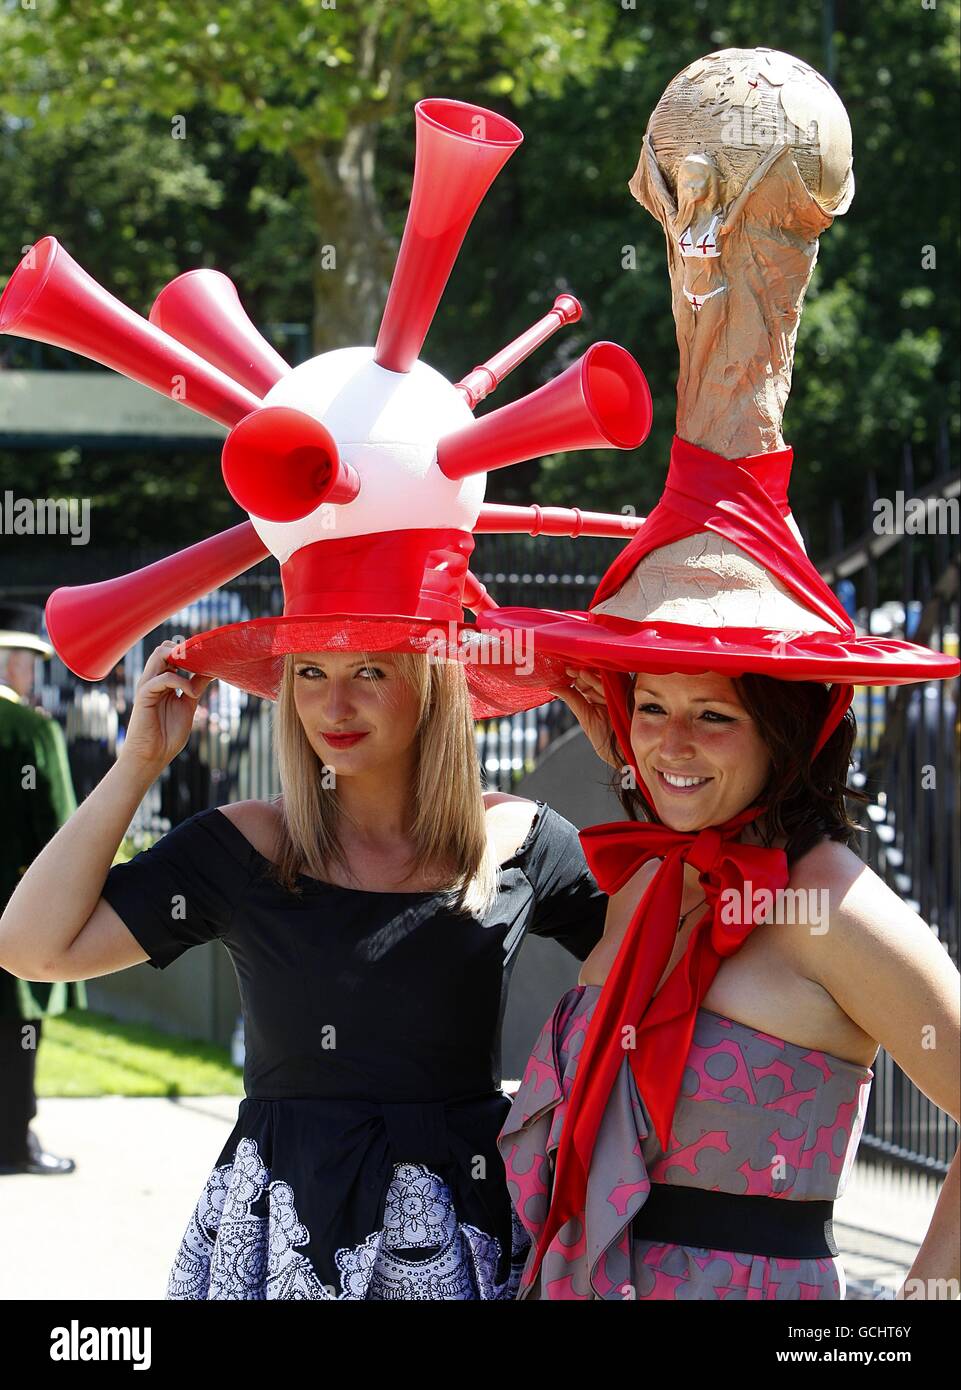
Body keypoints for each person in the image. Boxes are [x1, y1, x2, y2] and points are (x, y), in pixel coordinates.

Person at [483, 431, 961, 1301]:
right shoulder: (646, 889)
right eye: (651, 707)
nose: (671, 743)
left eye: (713, 716)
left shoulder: (833, 905)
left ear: (786, 731)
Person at [0, 638, 606, 1298]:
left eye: (370, 671)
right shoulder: (245, 844)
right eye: (311, 672)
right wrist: (139, 762)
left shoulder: (515, 838)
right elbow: (33, 948)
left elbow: (668, 955)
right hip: (283, 1235)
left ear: (435, 685)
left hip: (468, 1229)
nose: (334, 704)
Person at [0, 601, 85, 1177]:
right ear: (15, 666)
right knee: (16, 1029)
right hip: (14, 913)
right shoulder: (32, 730)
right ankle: (11, 1142)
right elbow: (62, 837)